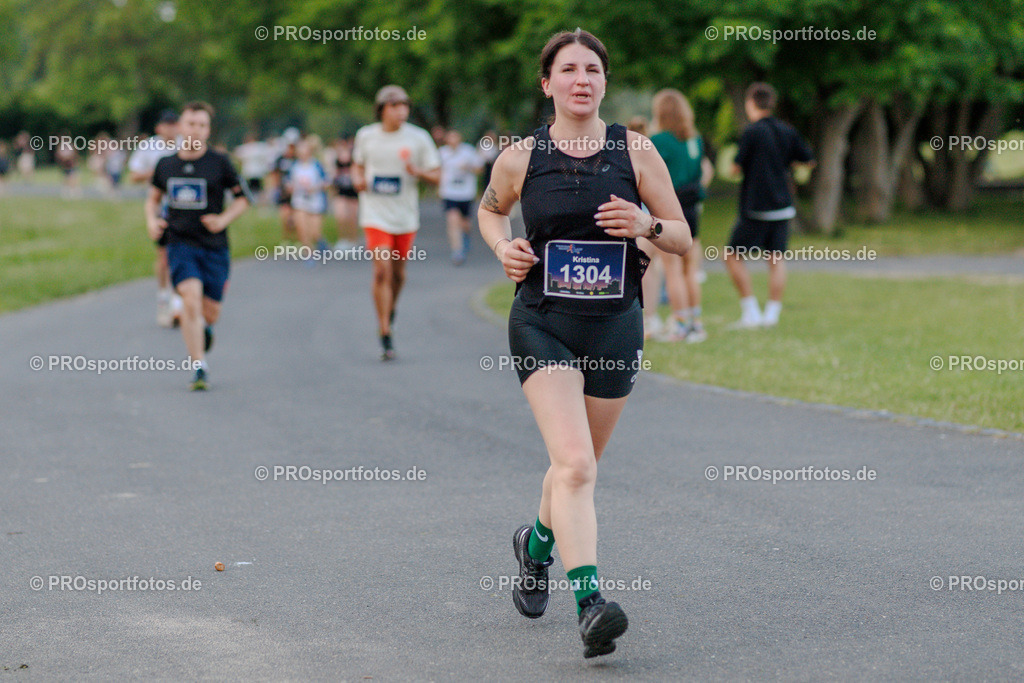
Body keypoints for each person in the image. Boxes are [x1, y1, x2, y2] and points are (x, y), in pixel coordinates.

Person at [478, 29, 691, 659]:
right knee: (575, 465)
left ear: (604, 81)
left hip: (615, 323)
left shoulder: (639, 152)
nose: (581, 80)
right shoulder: (519, 158)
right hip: (542, 322)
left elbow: (680, 234)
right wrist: (503, 247)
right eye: (567, 70)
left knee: (576, 467)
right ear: (547, 84)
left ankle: (536, 544)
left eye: (592, 69)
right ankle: (592, 603)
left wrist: (646, 224)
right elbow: (493, 211)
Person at [145, 101, 249, 391]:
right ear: (180, 127)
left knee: (210, 311)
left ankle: (205, 330)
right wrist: (152, 221)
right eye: (191, 124)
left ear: (208, 130)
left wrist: (223, 219)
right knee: (190, 299)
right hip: (180, 243)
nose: (196, 130)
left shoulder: (220, 163)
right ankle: (198, 366)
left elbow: (243, 198)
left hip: (214, 246)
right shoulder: (166, 164)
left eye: (202, 125)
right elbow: (152, 199)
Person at [352, 85, 441, 361]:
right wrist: (358, 179)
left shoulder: (418, 137)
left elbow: (437, 175)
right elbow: (358, 165)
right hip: (375, 214)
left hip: (404, 216)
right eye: (394, 105)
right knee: (381, 270)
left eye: (405, 105)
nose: (401, 110)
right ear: (382, 109)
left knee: (398, 274)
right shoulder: (366, 136)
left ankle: (390, 308)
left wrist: (418, 172)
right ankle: (384, 329)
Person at [725, 82, 814, 328]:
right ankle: (771, 315)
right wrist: (783, 166)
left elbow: (735, 167)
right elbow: (808, 161)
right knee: (776, 259)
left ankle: (751, 311)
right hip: (783, 205)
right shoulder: (787, 130)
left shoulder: (751, 132)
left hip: (756, 207)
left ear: (751, 102)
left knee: (731, 256)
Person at [649, 89, 715, 342]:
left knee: (671, 269)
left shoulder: (659, 140)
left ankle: (679, 323)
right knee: (691, 269)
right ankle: (695, 323)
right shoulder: (694, 139)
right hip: (692, 208)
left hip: (669, 208)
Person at [128, 109, 182, 327]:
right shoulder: (149, 147)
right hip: (161, 206)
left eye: (174, 124)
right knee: (164, 256)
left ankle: (178, 302)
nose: (171, 128)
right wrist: (159, 172)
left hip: (184, 206)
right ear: (159, 127)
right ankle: (164, 298)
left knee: (182, 253)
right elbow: (133, 175)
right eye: (167, 125)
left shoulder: (185, 144)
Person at [438, 128, 483, 264]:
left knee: (465, 224)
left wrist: (468, 167)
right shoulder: (442, 153)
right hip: (449, 192)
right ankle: (457, 251)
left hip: (466, 193)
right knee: (452, 220)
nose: (453, 141)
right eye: (450, 138)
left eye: (455, 137)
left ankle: (466, 237)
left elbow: (479, 169)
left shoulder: (468, 151)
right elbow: (436, 170)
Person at [288, 136, 330, 262]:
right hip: (300, 201)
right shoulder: (294, 166)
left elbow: (327, 182)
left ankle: (320, 241)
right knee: (302, 229)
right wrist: (291, 187)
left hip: (315, 201)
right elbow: (289, 183)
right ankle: (309, 254)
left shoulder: (316, 165)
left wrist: (316, 188)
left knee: (314, 232)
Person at [329, 135, 360, 250]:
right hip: (341, 190)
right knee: (341, 215)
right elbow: (334, 174)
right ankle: (343, 239)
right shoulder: (336, 158)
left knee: (352, 217)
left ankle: (353, 240)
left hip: (352, 190)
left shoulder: (354, 156)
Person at [271, 138, 299, 242]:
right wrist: (276, 187)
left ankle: (297, 239)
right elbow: (275, 173)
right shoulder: (280, 159)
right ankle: (286, 239)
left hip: (296, 192)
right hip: (283, 192)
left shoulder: (297, 159)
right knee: (284, 216)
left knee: (296, 218)